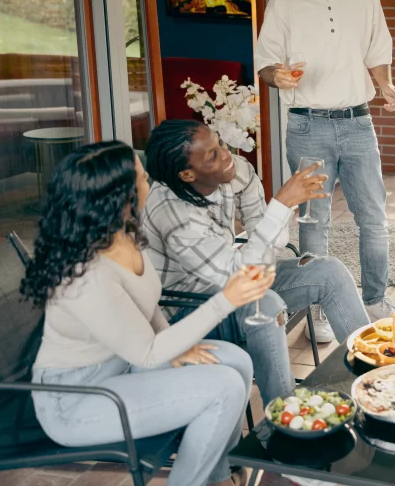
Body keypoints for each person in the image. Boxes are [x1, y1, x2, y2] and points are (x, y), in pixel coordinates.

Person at [22, 141, 271, 486]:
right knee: (223, 386)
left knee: (235, 361)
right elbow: (148, 351)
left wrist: (179, 345)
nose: (149, 184)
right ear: (118, 198)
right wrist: (225, 300)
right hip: (77, 400)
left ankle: (218, 473)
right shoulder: (84, 276)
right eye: (141, 179)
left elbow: (147, 305)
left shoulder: (121, 235)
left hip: (123, 365)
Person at [141, 120, 369, 408]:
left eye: (220, 143)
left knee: (329, 271)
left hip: (239, 280)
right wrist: (282, 206)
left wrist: (273, 221)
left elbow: (269, 248)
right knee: (266, 303)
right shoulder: (173, 213)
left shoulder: (236, 172)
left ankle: (373, 378)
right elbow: (236, 276)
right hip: (189, 309)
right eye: (212, 155)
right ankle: (283, 420)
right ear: (187, 174)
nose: (226, 156)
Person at [254, 0, 395, 328]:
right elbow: (265, 64)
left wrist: (385, 86)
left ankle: (375, 301)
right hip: (307, 126)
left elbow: (376, 53)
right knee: (313, 221)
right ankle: (318, 305)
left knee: (372, 218)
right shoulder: (283, 4)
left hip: (357, 123)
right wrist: (275, 75)